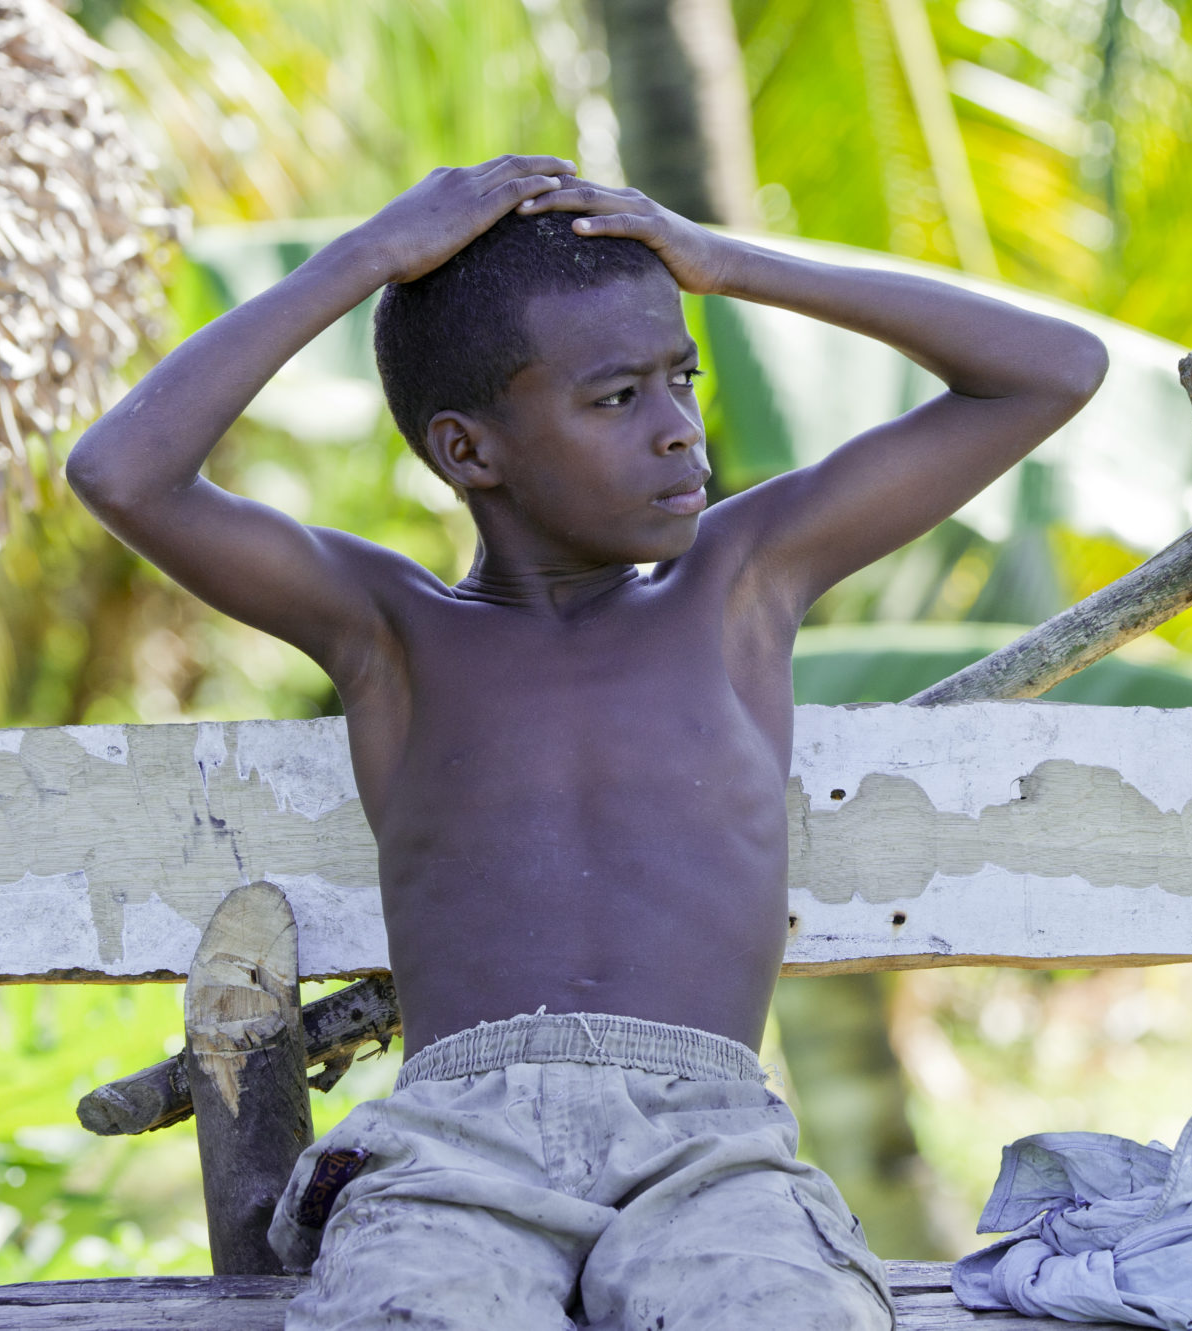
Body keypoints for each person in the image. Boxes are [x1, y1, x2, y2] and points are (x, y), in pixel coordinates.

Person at [65, 152, 1108, 1330]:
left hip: (709, 1149)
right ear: (469, 451)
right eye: (618, 398)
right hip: (455, 1151)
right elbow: (122, 471)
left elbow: (1050, 371)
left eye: (683, 377)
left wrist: (723, 260)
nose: (677, 431)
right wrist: (369, 257)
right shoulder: (389, 632)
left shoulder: (740, 579)